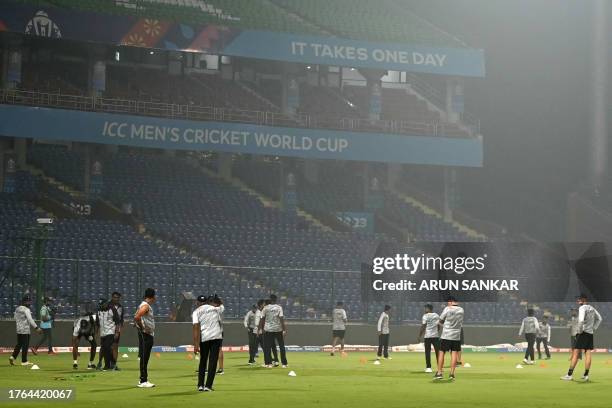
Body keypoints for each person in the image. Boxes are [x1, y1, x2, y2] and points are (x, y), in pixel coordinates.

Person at [561, 294, 602, 381]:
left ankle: (569, 375)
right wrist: (594, 328)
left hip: (583, 333)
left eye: (579, 299)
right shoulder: (592, 308)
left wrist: (579, 332)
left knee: (575, 353)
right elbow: (600, 319)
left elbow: (581, 320)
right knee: (588, 353)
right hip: (590, 334)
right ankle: (586, 375)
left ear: (584, 299)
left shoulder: (582, 308)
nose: (578, 301)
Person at [193, 294, 225, 392]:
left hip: (205, 338)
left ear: (197, 303)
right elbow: (222, 305)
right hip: (216, 337)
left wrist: (196, 345)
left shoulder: (196, 312)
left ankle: (200, 385)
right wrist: (217, 299)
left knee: (203, 361)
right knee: (212, 361)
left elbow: (195, 328)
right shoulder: (215, 308)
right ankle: (208, 386)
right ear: (206, 301)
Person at [435, 297, 464, 380]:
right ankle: (452, 374)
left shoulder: (447, 309)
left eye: (448, 302)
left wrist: (444, 326)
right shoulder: (461, 310)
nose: (447, 303)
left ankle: (439, 372)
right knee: (454, 353)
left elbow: (440, 321)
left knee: (441, 352)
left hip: (446, 335)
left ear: (451, 302)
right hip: (456, 336)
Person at [9, 295, 42, 366]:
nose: (29, 303)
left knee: (19, 344)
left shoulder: (17, 309)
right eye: (28, 301)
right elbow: (30, 319)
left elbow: (15, 318)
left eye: (29, 301)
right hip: (25, 330)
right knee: (25, 345)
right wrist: (36, 328)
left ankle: (12, 357)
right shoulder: (27, 310)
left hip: (19, 329)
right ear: (24, 302)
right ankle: (24, 361)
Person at [134, 288, 156, 388]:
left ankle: (142, 379)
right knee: (144, 357)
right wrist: (143, 328)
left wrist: (138, 325)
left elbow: (137, 317)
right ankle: (143, 381)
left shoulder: (142, 305)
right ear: (153, 297)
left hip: (146, 334)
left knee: (144, 357)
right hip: (146, 334)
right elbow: (137, 317)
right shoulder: (146, 306)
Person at [259, 294, 288, 368]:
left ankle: (268, 364)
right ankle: (284, 364)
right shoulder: (279, 308)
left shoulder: (265, 308)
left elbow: (262, 319)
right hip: (278, 329)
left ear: (270, 299)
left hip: (268, 329)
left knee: (267, 347)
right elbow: (281, 319)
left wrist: (261, 329)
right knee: (281, 346)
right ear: (276, 299)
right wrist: (284, 329)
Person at [71, 304, 99, 370]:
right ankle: (75, 363)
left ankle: (90, 364)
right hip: (84, 330)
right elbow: (73, 341)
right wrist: (75, 350)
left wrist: (95, 333)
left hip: (89, 332)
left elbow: (98, 323)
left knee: (94, 345)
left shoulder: (93, 318)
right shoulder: (77, 327)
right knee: (76, 344)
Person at [98, 299, 121, 371]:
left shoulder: (112, 309)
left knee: (107, 348)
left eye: (102, 304)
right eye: (100, 305)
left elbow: (117, 322)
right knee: (106, 348)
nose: (101, 306)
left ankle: (107, 366)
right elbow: (98, 322)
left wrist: (117, 332)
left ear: (106, 303)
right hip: (103, 333)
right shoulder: (98, 311)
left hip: (110, 332)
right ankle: (113, 364)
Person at [418, 304, 440, 373]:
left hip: (427, 336)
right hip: (435, 336)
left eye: (425, 308)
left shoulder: (425, 316)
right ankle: (440, 367)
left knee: (427, 352)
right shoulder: (436, 315)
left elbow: (423, 326)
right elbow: (439, 325)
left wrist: (419, 335)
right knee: (438, 352)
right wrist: (436, 331)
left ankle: (428, 368)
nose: (424, 310)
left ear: (429, 309)